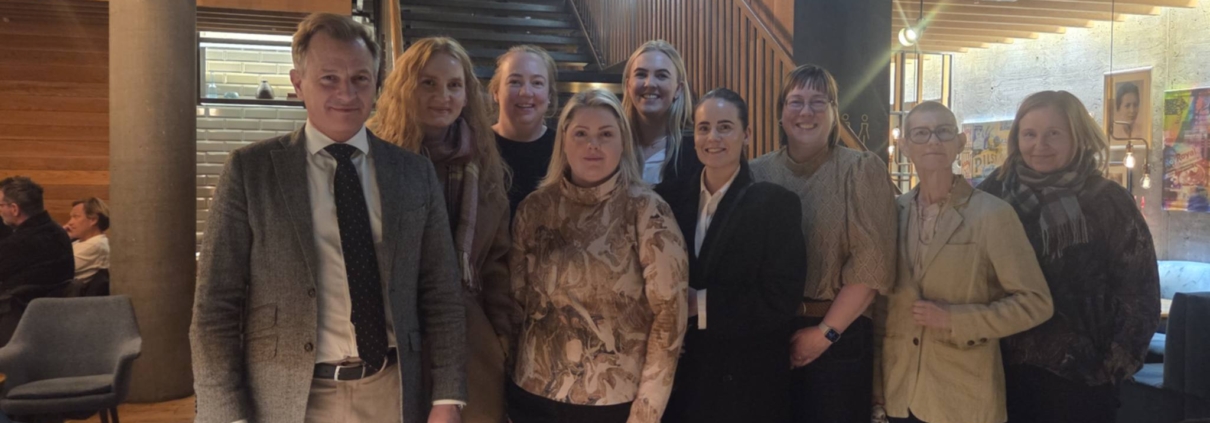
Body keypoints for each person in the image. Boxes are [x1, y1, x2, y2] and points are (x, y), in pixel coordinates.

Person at [189, 13, 467, 423]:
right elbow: (215, 308)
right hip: (288, 400)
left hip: (391, 392)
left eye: (360, 78)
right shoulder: (250, 172)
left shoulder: (413, 173)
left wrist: (447, 397)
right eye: (329, 79)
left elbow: (441, 294)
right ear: (298, 83)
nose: (346, 93)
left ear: (376, 83)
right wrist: (227, 414)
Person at [976, 91, 1160, 423]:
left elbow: (1139, 289)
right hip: (996, 369)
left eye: (1053, 133)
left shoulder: (1108, 201)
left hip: (1081, 377)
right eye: (1029, 134)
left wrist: (1112, 367)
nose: (1040, 145)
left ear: (1077, 136)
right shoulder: (992, 194)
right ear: (1016, 138)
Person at [509, 89, 688, 423]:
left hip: (615, 402)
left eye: (606, 134)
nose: (593, 145)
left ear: (623, 143)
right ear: (564, 141)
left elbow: (669, 317)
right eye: (581, 134)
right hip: (532, 395)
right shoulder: (533, 209)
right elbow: (516, 303)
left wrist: (646, 413)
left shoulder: (648, 211)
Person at [874, 101, 1054, 423]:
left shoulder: (992, 214)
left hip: (961, 395)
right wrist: (876, 385)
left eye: (943, 131)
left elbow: (1036, 303)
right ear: (905, 146)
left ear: (959, 142)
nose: (933, 141)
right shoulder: (891, 213)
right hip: (899, 391)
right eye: (921, 133)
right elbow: (881, 309)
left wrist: (956, 319)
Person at [369, 36, 517, 423]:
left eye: (454, 85)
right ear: (406, 88)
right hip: (394, 336)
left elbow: (497, 262)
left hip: (471, 339)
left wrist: (502, 337)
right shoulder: (372, 156)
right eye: (428, 83)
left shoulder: (484, 164)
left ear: (467, 94)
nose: (443, 96)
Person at [750, 64, 898, 423]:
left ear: (834, 114)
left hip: (839, 335)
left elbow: (872, 265)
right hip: (769, 335)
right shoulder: (756, 173)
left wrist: (823, 334)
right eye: (796, 101)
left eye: (818, 102)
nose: (806, 111)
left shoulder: (860, 170)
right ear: (781, 113)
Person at [657, 88, 805, 423]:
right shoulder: (667, 198)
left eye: (725, 127)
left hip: (745, 380)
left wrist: (700, 304)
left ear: (746, 134)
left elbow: (782, 296)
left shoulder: (776, 204)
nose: (713, 137)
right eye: (704, 128)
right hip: (681, 377)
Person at [0, 176, 74, 347]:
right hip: (44, 319)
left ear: (14, 209)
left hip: (16, 318)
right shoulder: (56, 231)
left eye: (1, 206)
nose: (0, 211)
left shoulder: (23, 242)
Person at [490, 45, 559, 216]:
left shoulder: (564, 149)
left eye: (537, 83)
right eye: (515, 82)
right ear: (496, 92)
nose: (526, 92)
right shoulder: (475, 144)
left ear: (549, 96)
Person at [622, 40, 701, 185]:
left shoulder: (697, 149)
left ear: (678, 89)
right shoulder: (612, 143)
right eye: (641, 74)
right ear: (628, 86)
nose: (650, 83)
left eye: (661, 76)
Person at [63, 197, 110, 282]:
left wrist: (59, 238)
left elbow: (55, 270)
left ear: (93, 220)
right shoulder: (79, 241)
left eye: (76, 217)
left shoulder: (96, 244)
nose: (70, 222)